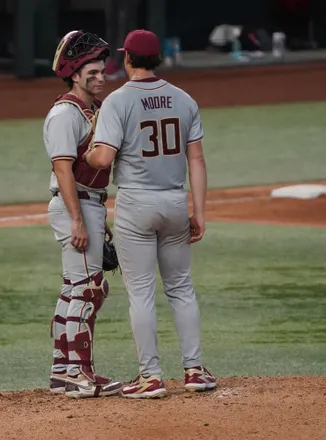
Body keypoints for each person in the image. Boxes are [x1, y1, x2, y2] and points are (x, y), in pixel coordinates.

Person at [83, 29, 216, 399]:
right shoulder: (184, 99)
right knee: (181, 288)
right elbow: (197, 160)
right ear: (158, 59)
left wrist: (87, 152)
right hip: (175, 202)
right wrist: (198, 211)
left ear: (127, 59)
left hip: (136, 205)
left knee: (141, 293)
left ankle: (150, 377)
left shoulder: (118, 101)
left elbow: (104, 158)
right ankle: (193, 370)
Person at [43, 30, 123, 399]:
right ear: (73, 74)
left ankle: (62, 372)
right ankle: (80, 373)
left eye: (101, 70)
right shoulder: (64, 113)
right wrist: (78, 219)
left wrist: (94, 215)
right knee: (89, 290)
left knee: (74, 289)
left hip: (88, 203)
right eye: (91, 71)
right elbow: (63, 169)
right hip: (74, 202)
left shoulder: (91, 110)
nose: (100, 76)